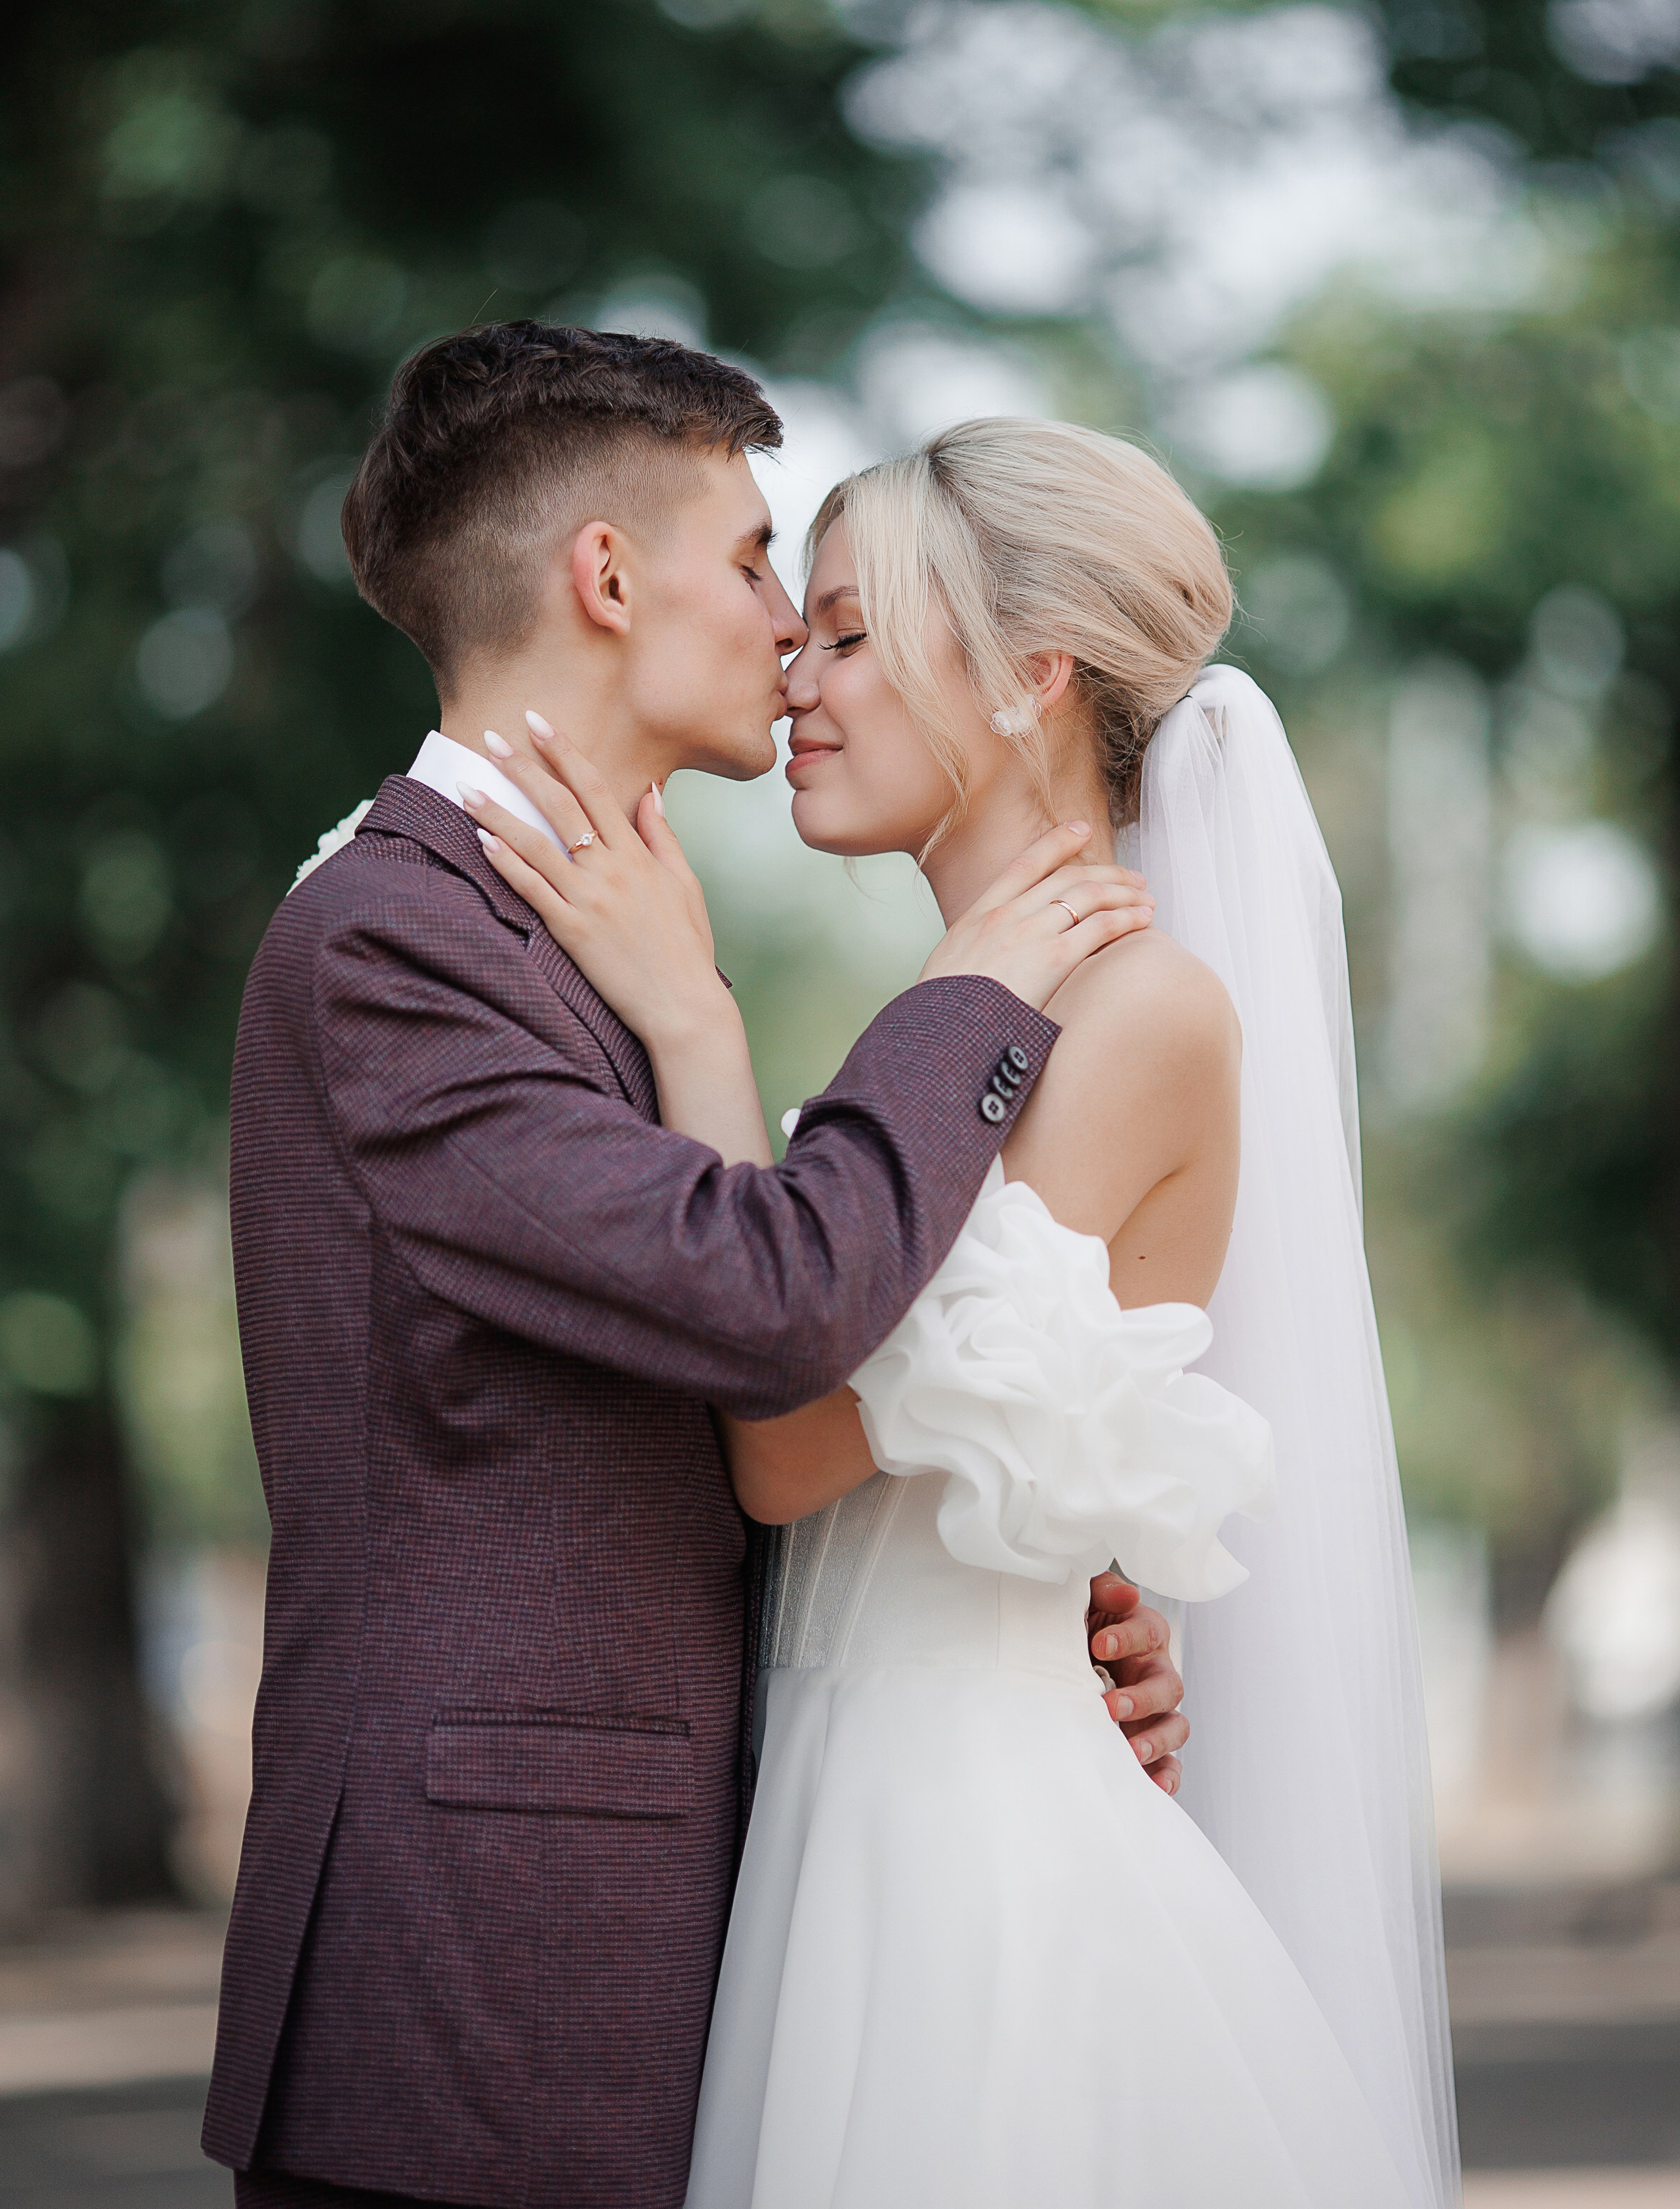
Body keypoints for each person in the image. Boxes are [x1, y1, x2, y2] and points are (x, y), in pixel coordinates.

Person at [202, 326, 1186, 2209]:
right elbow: (773, 1296)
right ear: (603, 578)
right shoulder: (395, 943)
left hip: (636, 1932)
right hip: (483, 1976)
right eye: (750, 564)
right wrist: (975, 989)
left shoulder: (568, 929)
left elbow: (687, 1424)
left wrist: (1017, 1606)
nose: (783, 629)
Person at [472, 415, 1462, 2207]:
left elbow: (785, 1448)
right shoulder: (970, 1011)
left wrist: (693, 1032)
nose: (795, 676)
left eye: (850, 633)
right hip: (862, 1812)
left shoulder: (1138, 1014)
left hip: (972, 1865)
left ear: (1029, 680)